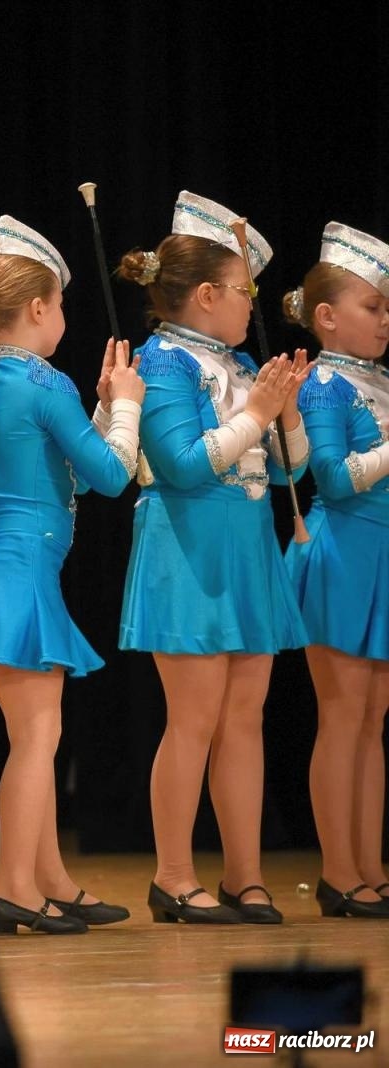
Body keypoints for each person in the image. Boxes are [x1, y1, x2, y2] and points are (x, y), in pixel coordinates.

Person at [0, 216, 141, 934]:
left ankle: (51, 880)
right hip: (14, 572)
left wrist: (103, 407)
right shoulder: (43, 382)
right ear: (42, 308)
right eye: (63, 305)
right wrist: (127, 406)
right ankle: (15, 887)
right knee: (36, 738)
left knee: (37, 735)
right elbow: (110, 475)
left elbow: (59, 468)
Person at [116, 191, 311, 925]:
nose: (249, 304)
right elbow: (182, 463)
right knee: (193, 719)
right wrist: (257, 414)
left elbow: (291, 469)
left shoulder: (243, 364)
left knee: (244, 719)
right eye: (243, 290)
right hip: (188, 549)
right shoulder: (163, 362)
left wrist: (286, 414)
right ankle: (172, 875)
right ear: (205, 294)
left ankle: (244, 875)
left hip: (246, 549)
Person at [280, 222, 389, 918]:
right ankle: (339, 872)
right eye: (373, 307)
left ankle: (370, 866)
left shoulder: (380, 382)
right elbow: (333, 477)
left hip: (380, 554)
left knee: (373, 719)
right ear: (326, 317)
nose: (385, 321)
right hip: (341, 552)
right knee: (344, 716)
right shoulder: (324, 384)